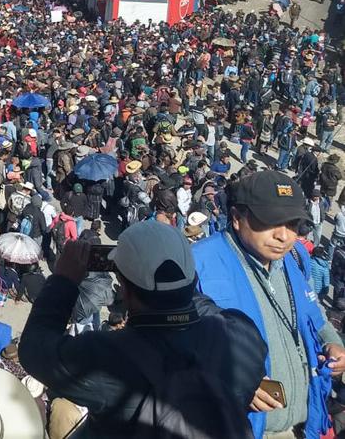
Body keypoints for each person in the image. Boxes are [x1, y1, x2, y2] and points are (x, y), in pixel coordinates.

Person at [20, 221, 267, 437]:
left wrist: (64, 279)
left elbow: (33, 349)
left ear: (125, 292)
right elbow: (206, 310)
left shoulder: (106, 356)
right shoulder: (243, 335)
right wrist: (178, 289)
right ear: (191, 278)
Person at [194, 171, 345, 439]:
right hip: (248, 429)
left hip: (307, 425)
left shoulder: (295, 257)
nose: (283, 236)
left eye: (292, 224)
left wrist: (334, 343)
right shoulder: (198, 264)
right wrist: (235, 380)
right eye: (269, 221)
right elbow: (172, 348)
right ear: (237, 218)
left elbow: (313, 313)